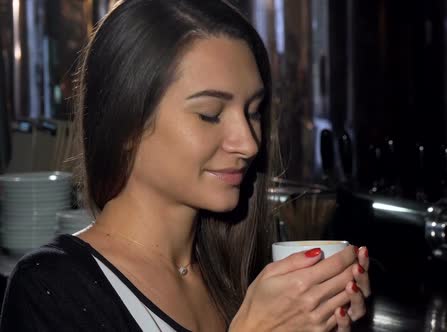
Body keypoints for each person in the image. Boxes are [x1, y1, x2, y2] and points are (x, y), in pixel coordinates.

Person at [0, 0, 371, 331]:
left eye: (254, 112)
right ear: (126, 124)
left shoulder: (236, 274)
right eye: (210, 114)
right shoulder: (50, 288)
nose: (248, 142)